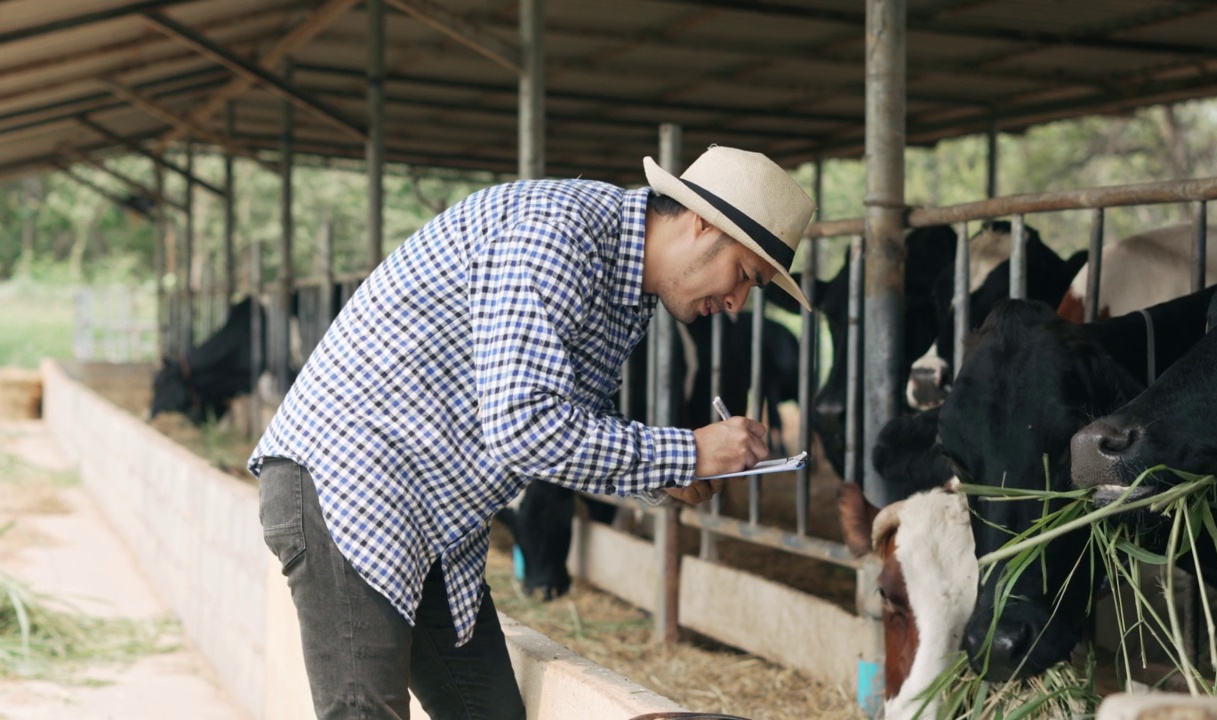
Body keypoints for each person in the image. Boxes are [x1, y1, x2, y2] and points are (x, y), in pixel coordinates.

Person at [249, 145, 816, 720]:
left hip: (436, 516)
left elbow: (566, 422)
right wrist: (687, 450)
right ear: (701, 223)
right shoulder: (560, 234)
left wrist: (670, 476)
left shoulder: (625, 285)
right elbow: (524, 426)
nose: (738, 302)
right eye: (744, 275)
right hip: (351, 487)